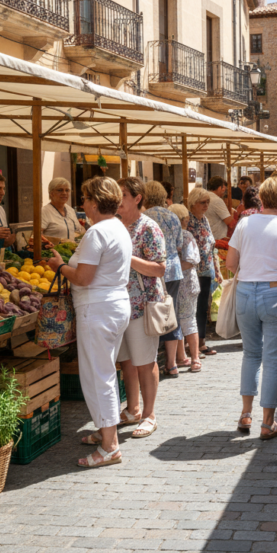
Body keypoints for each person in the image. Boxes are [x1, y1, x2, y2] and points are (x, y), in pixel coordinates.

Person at [46, 177, 131, 468]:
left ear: (94, 203)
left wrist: (60, 266)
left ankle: (110, 446)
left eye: (83, 199)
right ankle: (105, 431)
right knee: (104, 371)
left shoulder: (97, 233)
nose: (81, 204)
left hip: (97, 308)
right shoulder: (118, 227)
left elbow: (83, 277)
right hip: (114, 305)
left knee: (99, 376)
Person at [227, 177, 277, 440]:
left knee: (251, 354)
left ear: (261, 198)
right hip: (276, 292)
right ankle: (267, 423)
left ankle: (245, 413)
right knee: (273, 359)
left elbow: (230, 264)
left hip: (246, 292)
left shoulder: (244, 223)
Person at [114, 178, 167, 439]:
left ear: (137, 198)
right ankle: (132, 408)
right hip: (118, 304)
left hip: (142, 303)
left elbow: (159, 268)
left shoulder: (148, 227)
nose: (118, 199)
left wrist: (128, 258)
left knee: (145, 361)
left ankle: (149, 415)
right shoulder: (114, 225)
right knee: (126, 360)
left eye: (122, 194)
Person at [143, 181, 188, 375]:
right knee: (171, 313)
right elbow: (179, 244)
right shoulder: (172, 215)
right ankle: (172, 363)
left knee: (151, 313)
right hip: (173, 270)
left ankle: (150, 360)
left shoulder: (143, 217)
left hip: (151, 271)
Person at [168, 204, 202, 373]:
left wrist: (170, 267)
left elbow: (191, 261)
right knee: (180, 320)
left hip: (185, 283)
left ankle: (195, 358)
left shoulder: (186, 236)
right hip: (181, 283)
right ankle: (182, 357)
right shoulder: (180, 235)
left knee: (187, 319)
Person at [186, 187, 220, 357]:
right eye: (203, 202)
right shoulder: (187, 220)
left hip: (206, 270)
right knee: (193, 308)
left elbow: (212, 246)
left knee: (203, 308)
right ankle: (193, 344)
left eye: (208, 202)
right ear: (193, 203)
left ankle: (201, 341)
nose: (206, 205)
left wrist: (217, 269)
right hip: (193, 271)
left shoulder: (204, 220)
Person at [42, 177, 85, 243]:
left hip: (72, 251)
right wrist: (59, 241)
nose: (64, 193)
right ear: (51, 193)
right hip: (53, 251)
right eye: (60, 190)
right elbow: (36, 236)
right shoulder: (44, 211)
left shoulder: (70, 210)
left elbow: (78, 230)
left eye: (67, 190)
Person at [205, 176, 235, 240]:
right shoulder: (217, 200)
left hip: (208, 235)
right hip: (217, 238)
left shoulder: (204, 196)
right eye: (223, 188)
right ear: (220, 188)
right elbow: (229, 222)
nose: (224, 191)